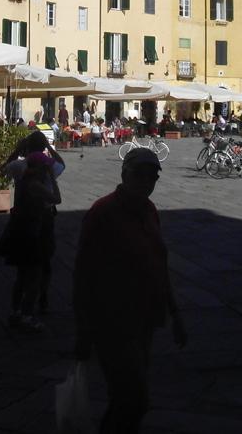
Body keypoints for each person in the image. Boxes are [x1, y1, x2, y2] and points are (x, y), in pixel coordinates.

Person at [74, 148, 186, 434]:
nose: (147, 181)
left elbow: (159, 263)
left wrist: (175, 313)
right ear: (124, 174)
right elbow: (84, 272)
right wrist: (83, 330)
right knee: (135, 399)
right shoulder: (103, 212)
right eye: (140, 174)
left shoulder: (149, 211)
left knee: (127, 396)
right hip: (113, 321)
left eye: (153, 177)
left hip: (146, 318)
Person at [0, 150, 60, 332]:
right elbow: (57, 199)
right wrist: (52, 177)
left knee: (21, 277)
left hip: (20, 230)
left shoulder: (22, 180)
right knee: (34, 277)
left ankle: (15, 312)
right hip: (33, 232)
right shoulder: (36, 184)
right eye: (44, 165)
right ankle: (27, 315)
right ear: (39, 167)